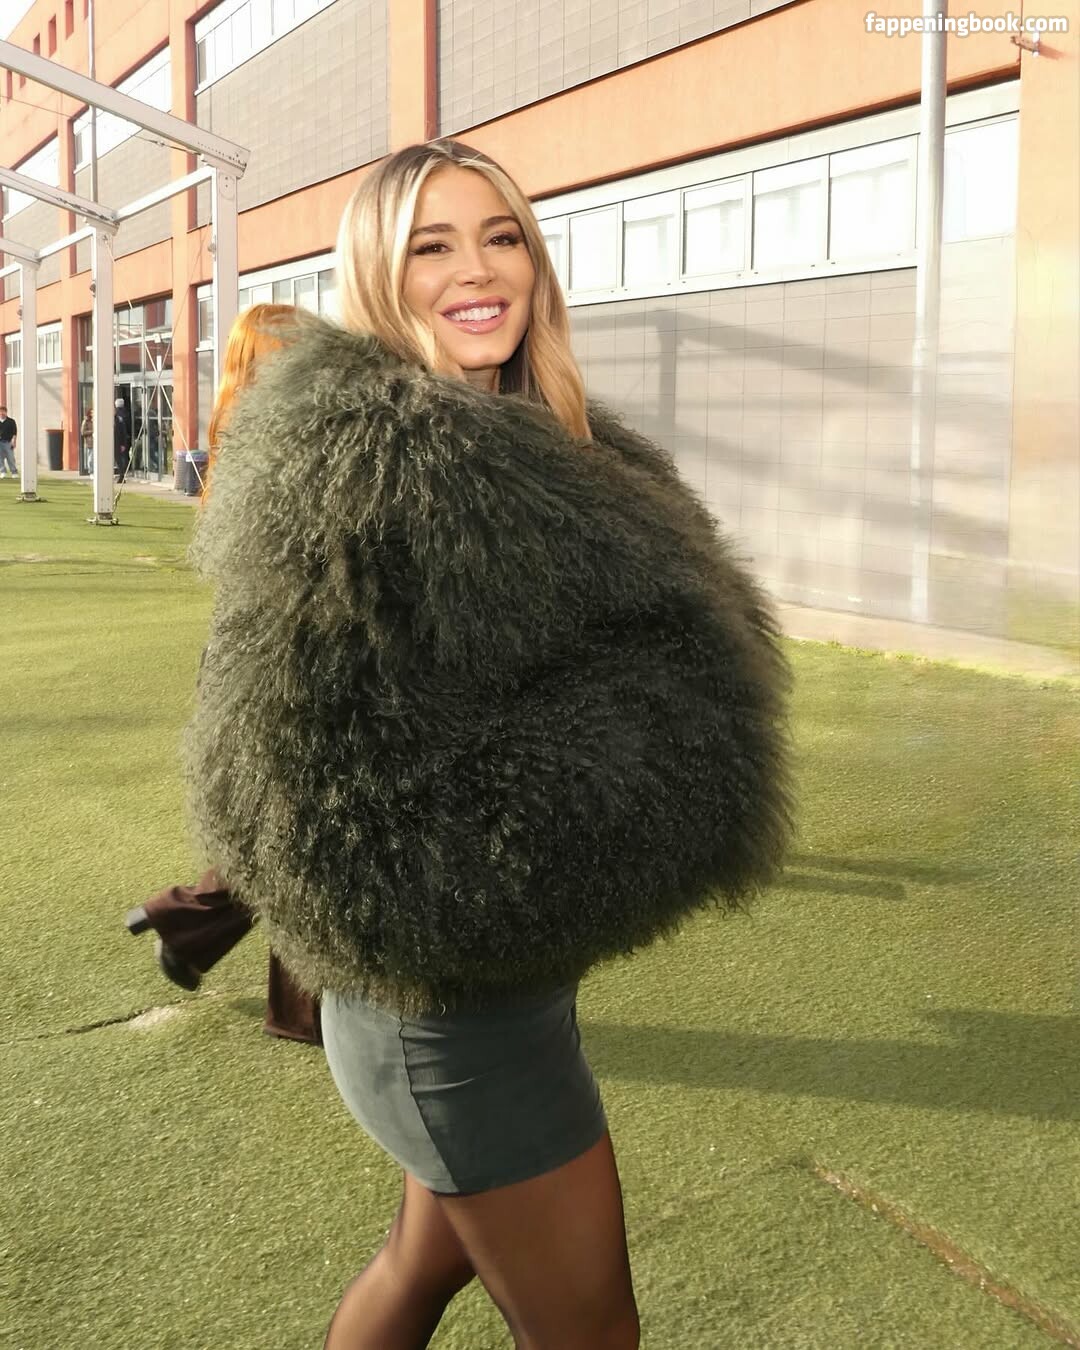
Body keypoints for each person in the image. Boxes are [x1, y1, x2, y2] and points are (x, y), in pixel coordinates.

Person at [186, 140, 792, 1349]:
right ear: (379, 274)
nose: (479, 270)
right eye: (433, 246)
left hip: (505, 981)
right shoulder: (367, 475)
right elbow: (309, 791)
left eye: (501, 236)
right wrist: (627, 769)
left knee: (421, 1267)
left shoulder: (541, 440)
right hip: (444, 1004)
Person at [125, 303, 321, 1046]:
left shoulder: (240, 432)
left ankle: (189, 920)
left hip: (257, 650)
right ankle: (208, 934)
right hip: (288, 651)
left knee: (295, 819)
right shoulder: (283, 438)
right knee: (308, 825)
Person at [113, 397, 131, 481]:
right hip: (117, 442)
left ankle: (121, 475)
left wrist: (123, 443)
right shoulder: (125, 414)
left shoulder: (119, 419)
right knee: (121, 458)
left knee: (119, 459)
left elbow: (123, 432)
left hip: (117, 442)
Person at [0, 405, 17, 479]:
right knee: (0, 458)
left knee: (10, 458)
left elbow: (14, 432)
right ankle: (3, 472)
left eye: (3, 412)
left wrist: (14, 441)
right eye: (0, 412)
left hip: (8, 442)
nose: (2, 413)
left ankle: (14, 472)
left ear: (6, 412)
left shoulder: (11, 421)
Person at [80, 407, 94, 474]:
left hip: (96, 441)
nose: (93, 414)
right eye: (92, 412)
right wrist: (92, 431)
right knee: (91, 457)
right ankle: (90, 470)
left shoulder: (96, 420)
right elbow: (83, 432)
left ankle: (94, 470)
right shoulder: (86, 421)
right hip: (90, 441)